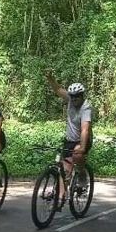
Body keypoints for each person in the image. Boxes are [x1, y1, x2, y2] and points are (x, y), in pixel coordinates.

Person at [44, 72, 92, 208]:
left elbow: (85, 130)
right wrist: (51, 78)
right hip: (69, 140)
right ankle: (61, 196)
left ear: (82, 96)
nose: (74, 99)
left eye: (77, 96)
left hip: (83, 140)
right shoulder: (70, 100)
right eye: (73, 96)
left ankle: (82, 175)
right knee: (64, 169)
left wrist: (82, 147)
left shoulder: (86, 108)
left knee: (77, 154)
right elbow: (58, 90)